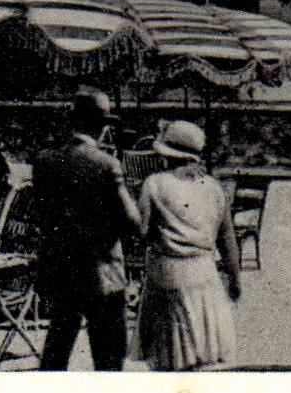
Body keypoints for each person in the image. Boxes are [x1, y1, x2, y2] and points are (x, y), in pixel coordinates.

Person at [32, 88, 143, 371]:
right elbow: (132, 221)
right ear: (103, 127)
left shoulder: (43, 161)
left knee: (57, 347)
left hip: (58, 268)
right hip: (101, 269)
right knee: (108, 357)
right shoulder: (107, 164)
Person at [133, 120, 241, 371]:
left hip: (166, 275)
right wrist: (235, 279)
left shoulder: (154, 183)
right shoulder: (213, 188)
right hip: (205, 276)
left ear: (165, 155)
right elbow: (227, 239)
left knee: (169, 357)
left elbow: (142, 231)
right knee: (202, 355)